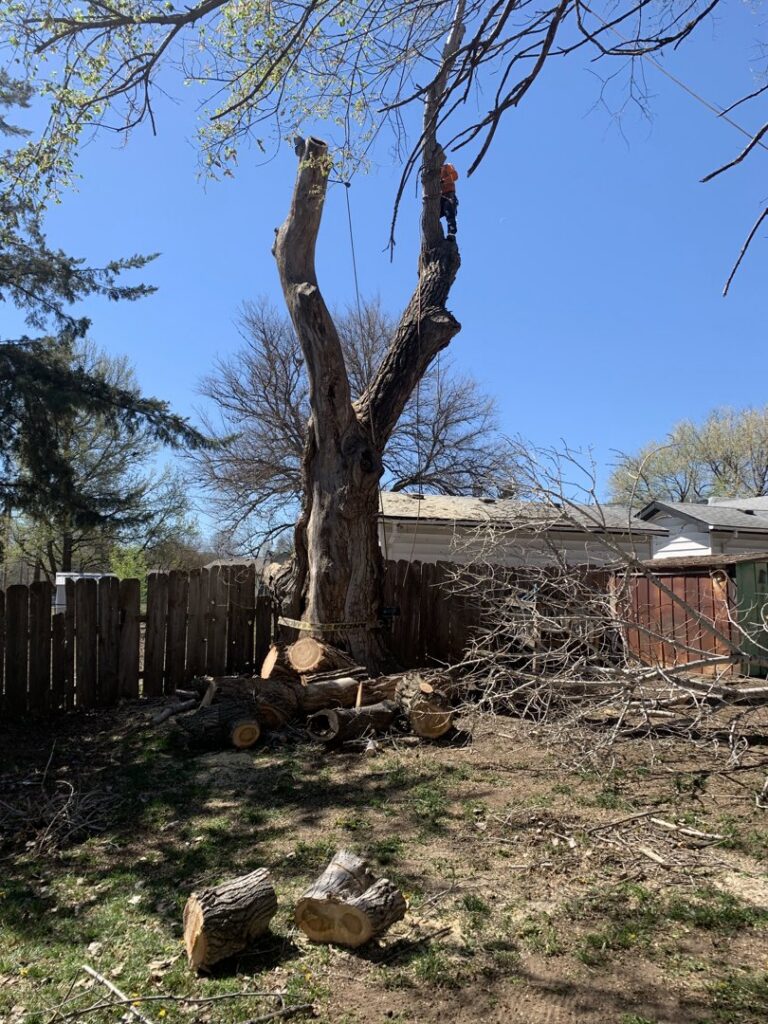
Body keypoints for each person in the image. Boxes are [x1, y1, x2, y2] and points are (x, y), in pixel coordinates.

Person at [440, 161, 459, 236]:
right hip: (439, 198)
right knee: (433, 215)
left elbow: (455, 176)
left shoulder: (447, 166)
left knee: (449, 212)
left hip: (449, 195)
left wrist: (443, 181)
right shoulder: (433, 172)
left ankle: (451, 234)